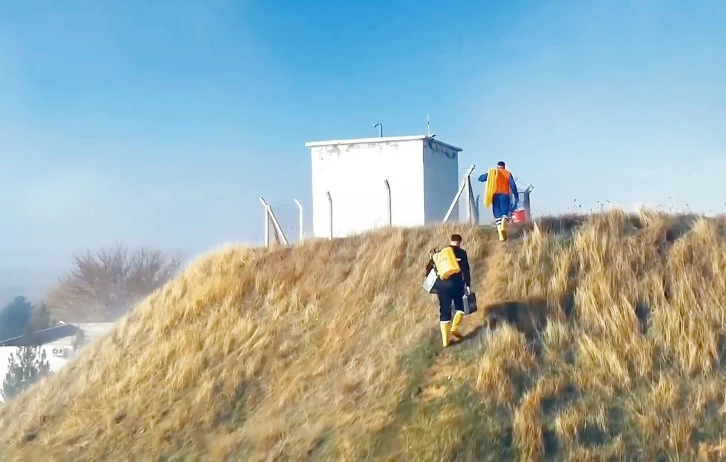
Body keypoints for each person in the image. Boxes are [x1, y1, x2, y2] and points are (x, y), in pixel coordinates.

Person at [425, 234, 472, 347]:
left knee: (444, 310)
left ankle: (445, 342)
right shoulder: (462, 253)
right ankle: (454, 328)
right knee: (460, 307)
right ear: (459, 242)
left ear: (450, 241)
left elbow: (428, 270)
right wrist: (467, 285)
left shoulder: (441, 253)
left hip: (442, 285)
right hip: (456, 284)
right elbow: (465, 270)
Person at [478, 161, 519, 241]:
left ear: (497, 166)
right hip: (505, 196)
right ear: (504, 167)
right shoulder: (508, 173)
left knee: (497, 215)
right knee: (505, 213)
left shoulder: (493, 173)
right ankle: (504, 221)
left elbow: (480, 178)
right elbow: (513, 185)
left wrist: (488, 174)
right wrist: (516, 196)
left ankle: (501, 236)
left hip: (495, 196)